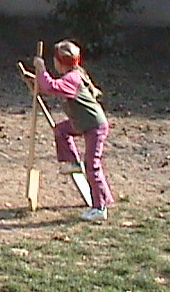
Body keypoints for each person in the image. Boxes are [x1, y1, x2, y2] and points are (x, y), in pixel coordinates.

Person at [32, 40, 114, 222]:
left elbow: (51, 87)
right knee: (61, 130)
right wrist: (36, 77)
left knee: (92, 166)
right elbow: (49, 85)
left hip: (94, 125)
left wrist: (41, 69)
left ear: (60, 62)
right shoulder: (73, 75)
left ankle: (99, 208)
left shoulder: (72, 78)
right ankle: (72, 162)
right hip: (81, 123)